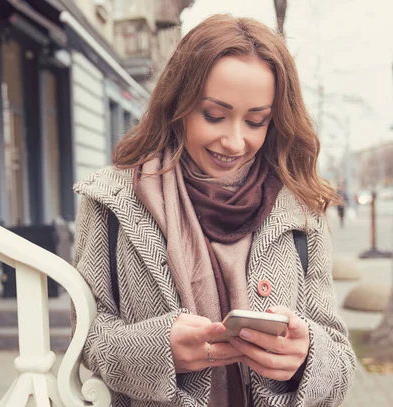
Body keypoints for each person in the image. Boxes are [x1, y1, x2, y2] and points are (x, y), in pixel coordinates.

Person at [72, 14, 355, 407]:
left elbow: (341, 359)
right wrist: (157, 351)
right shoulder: (111, 200)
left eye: (256, 121)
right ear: (179, 104)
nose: (235, 141)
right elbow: (84, 338)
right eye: (214, 116)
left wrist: (308, 356)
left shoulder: (301, 207)